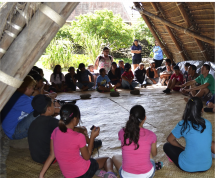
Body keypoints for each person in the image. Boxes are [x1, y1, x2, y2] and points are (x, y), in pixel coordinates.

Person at [39, 104, 117, 178]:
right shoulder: (79, 137)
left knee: (83, 159)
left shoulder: (55, 131)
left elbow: (52, 155)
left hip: (68, 175)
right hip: (83, 173)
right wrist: (92, 137)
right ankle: (110, 174)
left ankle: (98, 171)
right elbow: (87, 157)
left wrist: (41, 174)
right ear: (75, 119)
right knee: (107, 159)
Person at [28, 95, 101, 164]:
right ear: (49, 108)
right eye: (53, 104)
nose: (55, 106)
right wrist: (82, 129)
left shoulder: (36, 121)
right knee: (78, 133)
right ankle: (91, 143)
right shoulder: (50, 121)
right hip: (47, 158)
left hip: (35, 157)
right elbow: (71, 128)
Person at [163, 97, 213, 172]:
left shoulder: (183, 124)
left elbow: (170, 139)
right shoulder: (208, 123)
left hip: (187, 167)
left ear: (187, 109)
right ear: (202, 110)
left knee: (167, 146)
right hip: (207, 165)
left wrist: (182, 147)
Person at [112, 105, 163, 178]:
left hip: (126, 176)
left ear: (130, 117)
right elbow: (154, 154)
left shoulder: (122, 132)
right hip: (147, 175)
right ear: (144, 118)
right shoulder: (151, 135)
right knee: (149, 152)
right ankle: (154, 166)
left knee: (115, 157)